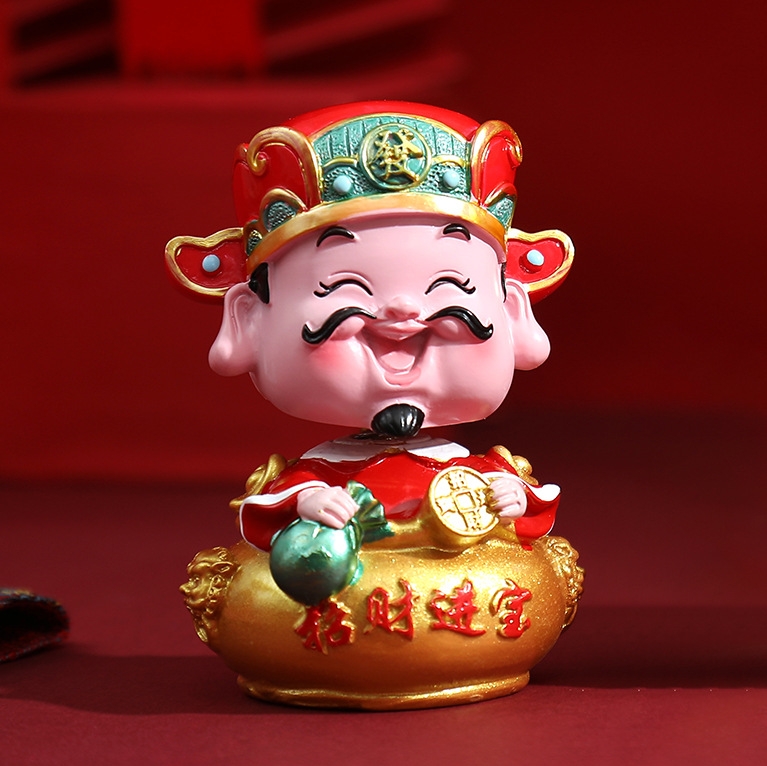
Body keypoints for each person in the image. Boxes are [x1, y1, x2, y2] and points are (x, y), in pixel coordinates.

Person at [166, 101, 574, 602]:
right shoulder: (315, 476)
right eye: (344, 287)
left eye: (451, 285)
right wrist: (309, 503)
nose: (403, 312)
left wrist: (512, 499)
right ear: (248, 320)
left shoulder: (481, 469)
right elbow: (270, 509)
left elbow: (534, 511)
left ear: (513, 312)